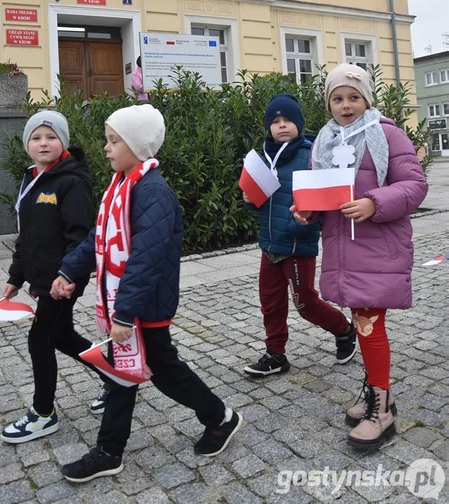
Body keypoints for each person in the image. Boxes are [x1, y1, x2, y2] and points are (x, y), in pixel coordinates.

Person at [51, 104, 242, 483]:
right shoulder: (121, 185)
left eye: (113, 140)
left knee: (165, 370)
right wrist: (69, 269)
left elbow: (147, 258)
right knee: (124, 371)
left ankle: (220, 418)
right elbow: (100, 238)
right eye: (107, 140)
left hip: (143, 305)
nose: (106, 147)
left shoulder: (152, 192)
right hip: (127, 303)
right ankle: (109, 450)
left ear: (137, 146)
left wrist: (125, 313)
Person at [291, 64, 428, 450]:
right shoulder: (326, 141)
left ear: (367, 98)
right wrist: (306, 210)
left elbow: (415, 185)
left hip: (378, 247)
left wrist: (373, 202)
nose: (345, 105)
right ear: (329, 103)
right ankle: (377, 389)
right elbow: (323, 195)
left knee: (369, 326)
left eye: (353, 97)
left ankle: (381, 411)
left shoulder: (387, 134)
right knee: (363, 321)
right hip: (343, 249)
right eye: (337, 98)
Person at [0, 111, 103, 444]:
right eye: (36, 137)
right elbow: (26, 235)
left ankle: (43, 414)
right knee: (62, 337)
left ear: (63, 141)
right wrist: (16, 276)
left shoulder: (71, 180)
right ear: (27, 144)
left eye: (51, 136)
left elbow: (80, 235)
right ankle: (116, 377)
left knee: (40, 340)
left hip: (63, 281)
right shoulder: (31, 178)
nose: (43, 143)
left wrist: (67, 274)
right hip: (42, 278)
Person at [243, 94, 356, 378]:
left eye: (288, 120)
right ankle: (276, 354)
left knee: (305, 304)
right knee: (270, 302)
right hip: (269, 244)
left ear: (299, 123)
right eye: (276, 121)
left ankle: (344, 329)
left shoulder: (311, 155)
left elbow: (325, 197)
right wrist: (249, 198)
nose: (282, 126)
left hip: (297, 244)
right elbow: (263, 199)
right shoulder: (264, 156)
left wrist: (310, 217)